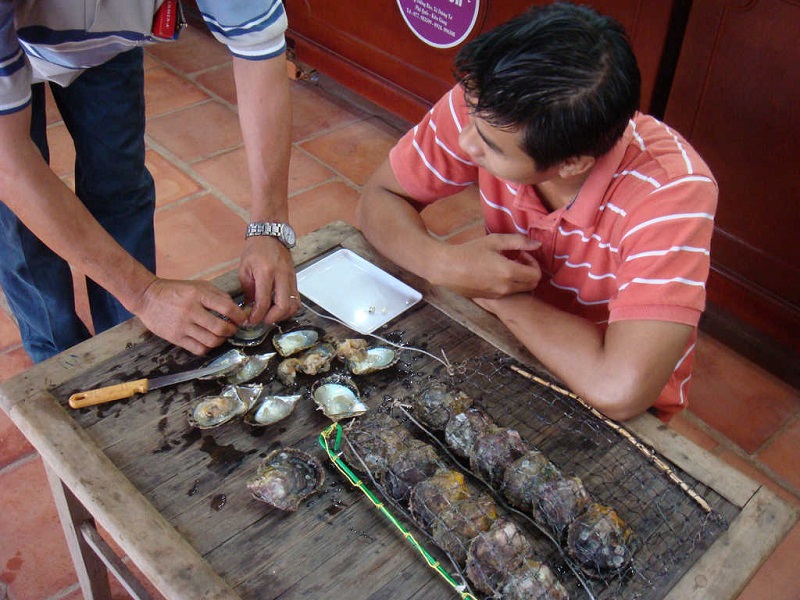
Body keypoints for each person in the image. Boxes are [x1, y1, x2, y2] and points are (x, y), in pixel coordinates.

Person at [356, 2, 718, 422]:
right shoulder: (492, 104)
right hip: (504, 340)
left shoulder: (671, 194)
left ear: (573, 163)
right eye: (471, 117)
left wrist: (498, 296)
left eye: (489, 147)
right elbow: (377, 198)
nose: (466, 142)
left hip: (597, 393)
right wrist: (441, 262)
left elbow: (620, 390)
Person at [0, 1, 300, 363]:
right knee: (18, 228)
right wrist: (145, 293)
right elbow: (9, 164)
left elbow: (259, 46)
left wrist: (269, 226)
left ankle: (130, 346)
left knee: (120, 184)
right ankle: (57, 360)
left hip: (108, 46)